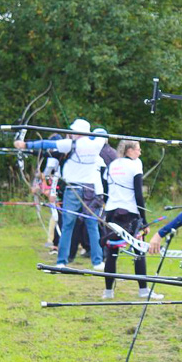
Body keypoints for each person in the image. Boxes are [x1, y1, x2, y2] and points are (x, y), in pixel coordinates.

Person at [16, 118, 105, 269]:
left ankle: (61, 261)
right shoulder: (97, 144)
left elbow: (47, 144)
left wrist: (25, 144)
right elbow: (102, 133)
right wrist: (91, 135)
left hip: (73, 190)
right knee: (92, 225)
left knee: (68, 226)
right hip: (91, 190)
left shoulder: (70, 144)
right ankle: (97, 262)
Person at [102, 140, 162, 300]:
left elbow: (105, 190)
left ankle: (108, 292)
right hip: (130, 213)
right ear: (129, 150)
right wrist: (144, 220)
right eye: (137, 149)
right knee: (139, 250)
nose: (140, 152)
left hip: (111, 212)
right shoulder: (135, 165)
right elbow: (138, 194)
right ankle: (143, 290)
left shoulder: (112, 165)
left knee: (112, 252)